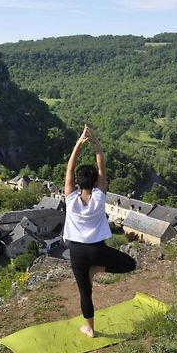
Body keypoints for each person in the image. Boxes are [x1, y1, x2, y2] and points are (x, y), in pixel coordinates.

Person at [63, 124, 136, 338]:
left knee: (85, 292)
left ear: (77, 182)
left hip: (76, 251)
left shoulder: (71, 199)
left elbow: (69, 169)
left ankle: (90, 329)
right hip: (97, 250)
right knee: (131, 264)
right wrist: (96, 144)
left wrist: (78, 144)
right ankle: (96, 269)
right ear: (95, 182)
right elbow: (102, 169)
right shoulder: (99, 197)